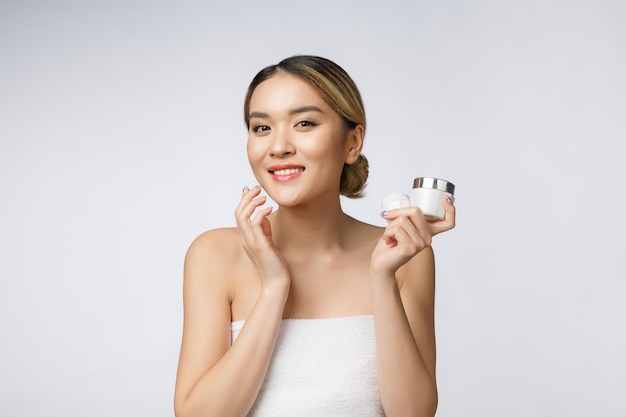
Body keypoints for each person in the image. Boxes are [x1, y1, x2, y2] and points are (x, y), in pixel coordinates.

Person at [174, 55, 456, 417]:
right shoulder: (214, 254)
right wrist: (275, 286)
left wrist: (382, 278)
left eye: (303, 123)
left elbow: (413, 414)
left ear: (352, 143)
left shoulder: (404, 255)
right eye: (262, 128)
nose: (278, 147)